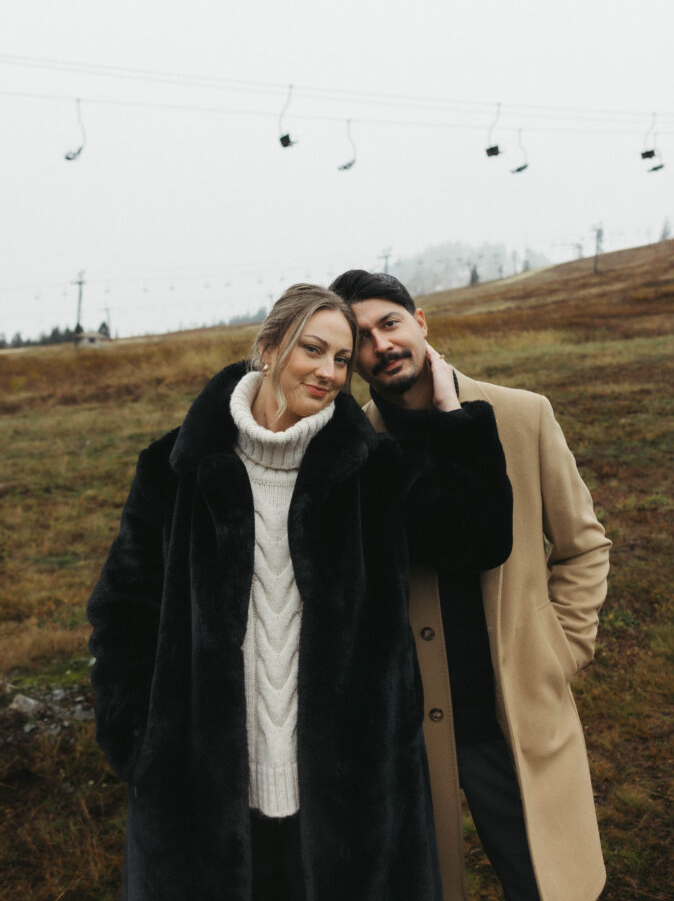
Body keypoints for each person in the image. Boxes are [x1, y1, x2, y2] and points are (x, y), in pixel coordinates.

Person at [87, 283, 513, 901]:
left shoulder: (370, 470)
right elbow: (122, 613)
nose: (329, 372)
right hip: (199, 800)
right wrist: (136, 742)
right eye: (313, 349)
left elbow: (476, 537)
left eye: (341, 359)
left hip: (354, 803)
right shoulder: (174, 469)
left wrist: (453, 415)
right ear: (268, 348)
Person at [329, 270, 611, 901]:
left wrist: (564, 647)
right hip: (406, 726)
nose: (381, 345)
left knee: (548, 882)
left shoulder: (521, 415)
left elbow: (583, 546)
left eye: (389, 323)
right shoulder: (353, 450)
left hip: (511, 710)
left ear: (420, 322)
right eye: (361, 338)